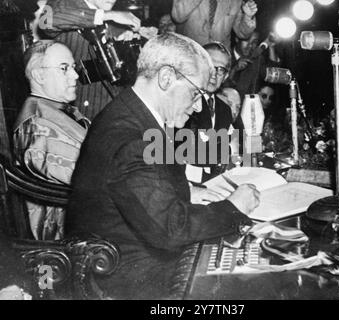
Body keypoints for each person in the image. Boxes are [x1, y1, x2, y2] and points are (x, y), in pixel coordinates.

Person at [66, 32, 260, 299]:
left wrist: (190, 191)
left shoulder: (131, 114)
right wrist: (233, 207)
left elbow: (143, 186)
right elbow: (170, 230)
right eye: (195, 93)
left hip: (132, 258)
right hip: (130, 277)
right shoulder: (132, 137)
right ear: (166, 78)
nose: (196, 106)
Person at [13, 40, 90, 240]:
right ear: (39, 75)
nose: (75, 75)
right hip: (63, 235)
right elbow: (90, 177)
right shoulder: (36, 126)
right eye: (64, 69)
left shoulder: (57, 110)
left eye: (73, 67)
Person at [39, 0, 142, 119]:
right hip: (81, 109)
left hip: (115, 103)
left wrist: (126, 46)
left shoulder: (111, 14)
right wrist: (109, 15)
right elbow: (46, 21)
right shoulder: (64, 3)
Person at [184, 42, 234, 182]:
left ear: (225, 76)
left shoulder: (225, 110)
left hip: (212, 182)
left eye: (220, 70)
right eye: (209, 66)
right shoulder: (184, 102)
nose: (214, 74)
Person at [171, 0, 258, 50]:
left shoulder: (236, 1)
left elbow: (242, 34)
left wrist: (247, 16)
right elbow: (178, 16)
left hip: (217, 61)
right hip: (189, 53)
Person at [227, 31, 281, 98]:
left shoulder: (257, 59)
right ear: (237, 39)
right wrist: (234, 69)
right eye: (246, 40)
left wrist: (271, 47)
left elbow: (273, 74)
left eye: (254, 42)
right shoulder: (226, 57)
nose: (250, 45)